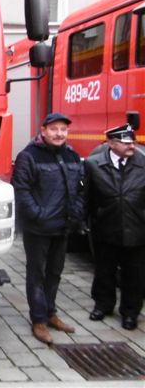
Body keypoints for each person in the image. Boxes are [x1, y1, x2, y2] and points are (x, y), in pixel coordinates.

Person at [11, 112, 85, 344]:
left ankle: (51, 313)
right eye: (54, 129)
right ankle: (39, 320)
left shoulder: (72, 155)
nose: (59, 134)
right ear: (43, 131)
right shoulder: (29, 156)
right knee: (37, 274)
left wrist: (76, 213)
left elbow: (81, 189)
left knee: (55, 273)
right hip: (38, 229)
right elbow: (21, 190)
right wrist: (38, 215)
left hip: (63, 227)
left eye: (63, 129)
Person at [84, 123, 145, 331]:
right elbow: (85, 194)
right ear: (111, 143)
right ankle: (103, 305)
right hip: (105, 227)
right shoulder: (93, 164)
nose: (131, 145)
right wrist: (82, 221)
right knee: (104, 271)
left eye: (132, 141)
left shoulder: (143, 163)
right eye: (125, 142)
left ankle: (130, 312)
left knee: (134, 275)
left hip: (137, 228)